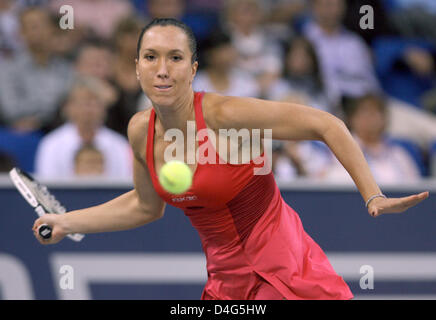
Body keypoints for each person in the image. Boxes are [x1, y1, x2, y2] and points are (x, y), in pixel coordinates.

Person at [33, 18, 429, 300]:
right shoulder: (140, 131)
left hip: (282, 272)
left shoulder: (225, 115)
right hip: (226, 283)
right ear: (136, 68)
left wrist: (372, 195)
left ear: (193, 69)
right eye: (150, 57)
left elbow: (326, 124)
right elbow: (144, 205)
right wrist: (67, 222)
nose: (162, 69)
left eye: (175, 58)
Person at [34, 76, 132, 179]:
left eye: (94, 103)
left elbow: (125, 185)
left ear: (104, 108)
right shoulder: (51, 145)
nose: (88, 108)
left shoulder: (119, 145)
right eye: (83, 102)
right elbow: (48, 186)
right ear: (68, 107)